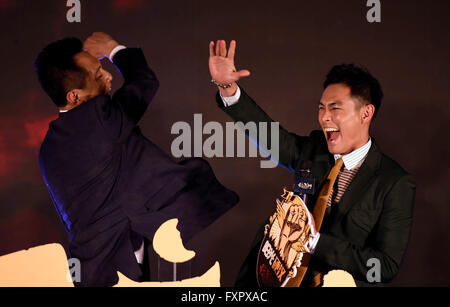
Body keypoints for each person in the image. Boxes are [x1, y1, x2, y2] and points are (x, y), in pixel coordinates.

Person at [35, 33, 239, 287]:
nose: (109, 76)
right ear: (74, 96)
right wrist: (113, 49)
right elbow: (144, 81)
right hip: (118, 270)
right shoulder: (101, 118)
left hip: (90, 270)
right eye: (98, 75)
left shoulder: (49, 149)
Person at [208, 40, 416, 287]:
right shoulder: (315, 148)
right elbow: (271, 138)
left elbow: (384, 266)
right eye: (321, 108)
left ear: (366, 113)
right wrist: (228, 88)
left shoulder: (394, 183)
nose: (324, 117)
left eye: (335, 108)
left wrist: (313, 241)